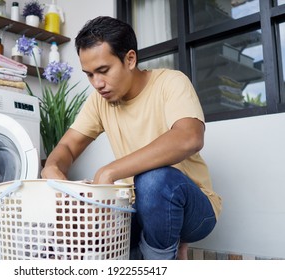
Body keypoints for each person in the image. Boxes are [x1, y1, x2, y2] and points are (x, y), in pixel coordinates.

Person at [41, 16, 222, 260]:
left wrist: (109, 172)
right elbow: (67, 146)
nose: (97, 83)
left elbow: (189, 137)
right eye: (90, 75)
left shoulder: (171, 82)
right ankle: (149, 248)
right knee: (65, 241)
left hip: (195, 209)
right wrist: (52, 169)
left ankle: (156, 259)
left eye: (103, 71)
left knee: (152, 180)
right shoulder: (99, 101)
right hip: (134, 208)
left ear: (130, 59)